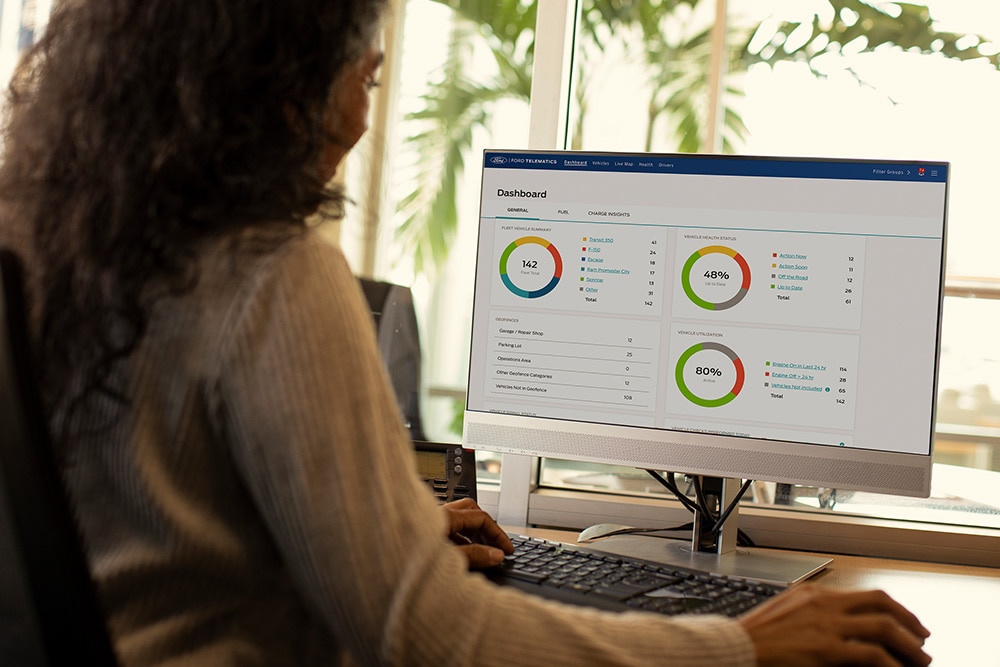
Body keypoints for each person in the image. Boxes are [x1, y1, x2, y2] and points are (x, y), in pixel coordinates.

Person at [0, 1, 932, 666]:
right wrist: (739, 646)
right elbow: (429, 635)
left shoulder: (43, 233)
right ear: (281, 85)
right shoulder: (270, 270)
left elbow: (148, 527)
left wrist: (382, 530)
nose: (362, 119)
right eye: (365, 77)